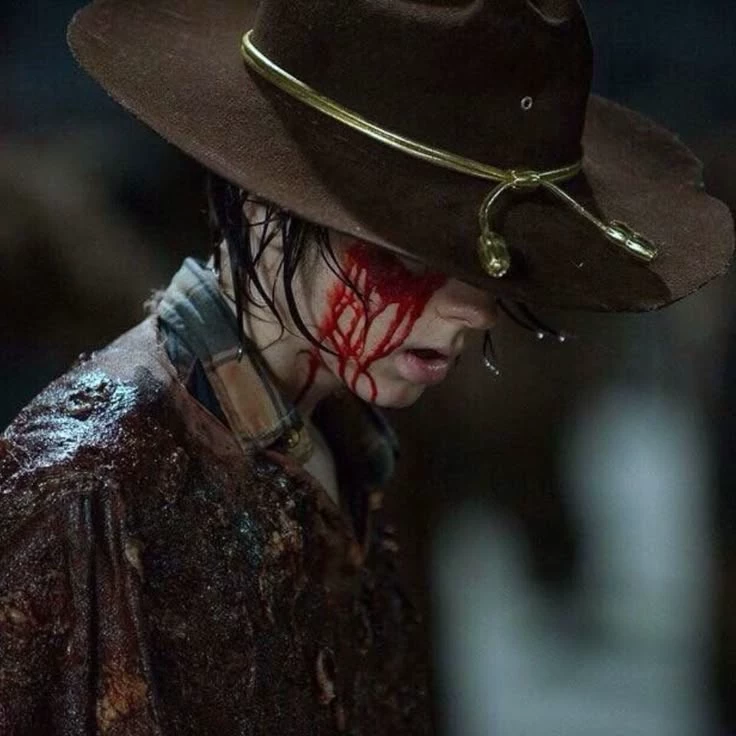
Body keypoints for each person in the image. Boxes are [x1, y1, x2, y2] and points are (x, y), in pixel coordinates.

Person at [0, 0, 732, 734]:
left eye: (491, 265)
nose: (476, 310)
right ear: (264, 205)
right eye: (409, 252)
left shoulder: (354, 432)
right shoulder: (88, 490)